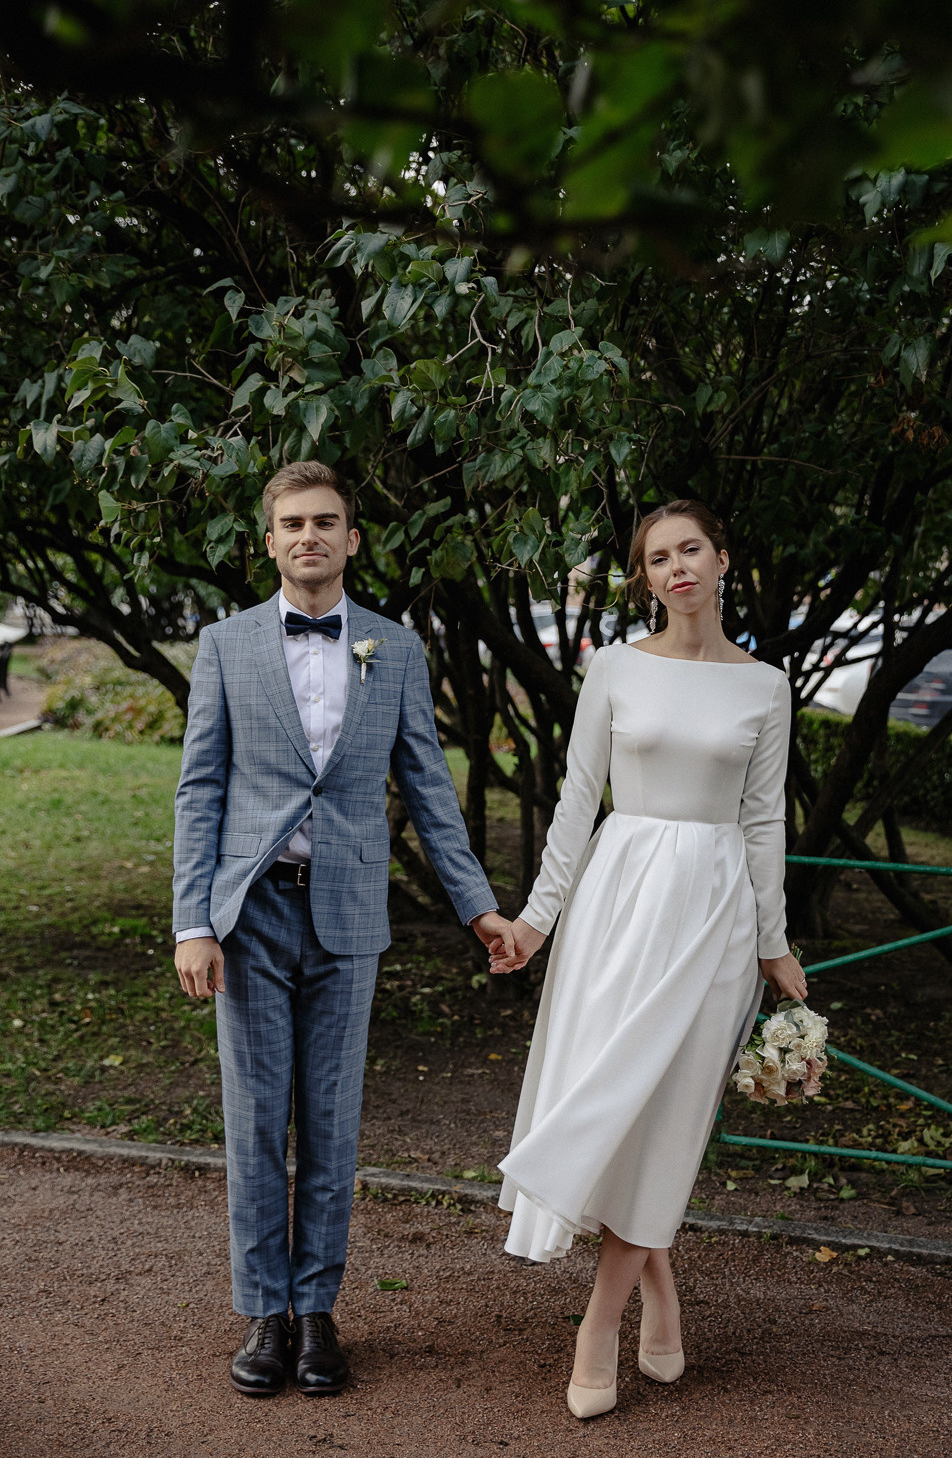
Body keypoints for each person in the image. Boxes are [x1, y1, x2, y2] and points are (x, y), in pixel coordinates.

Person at [172, 461, 513, 1397]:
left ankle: (317, 1311)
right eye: (292, 523)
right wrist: (191, 921)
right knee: (254, 1123)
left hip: (348, 916)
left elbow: (431, 791)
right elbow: (200, 789)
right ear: (269, 539)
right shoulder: (225, 645)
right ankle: (263, 1313)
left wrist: (478, 907)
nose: (309, 535)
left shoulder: (394, 649)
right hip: (248, 914)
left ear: (352, 539)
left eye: (326, 521)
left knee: (329, 1125)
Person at [492, 499, 807, 1419]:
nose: (676, 567)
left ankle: (600, 1320)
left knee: (668, 1111)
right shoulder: (616, 668)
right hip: (618, 901)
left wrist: (772, 943)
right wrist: (538, 919)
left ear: (720, 559)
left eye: (690, 550)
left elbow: (761, 822)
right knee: (614, 1097)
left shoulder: (765, 687)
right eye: (657, 557)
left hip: (713, 912)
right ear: (646, 577)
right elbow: (576, 797)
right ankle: (659, 1287)